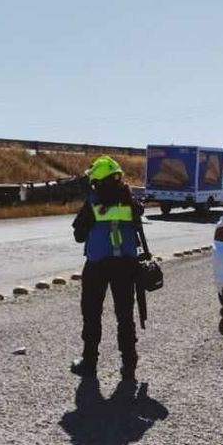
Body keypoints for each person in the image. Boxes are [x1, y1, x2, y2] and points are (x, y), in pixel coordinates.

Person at [70, 156, 149, 382]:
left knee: (92, 313)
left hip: (97, 265)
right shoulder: (131, 202)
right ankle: (129, 361)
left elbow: (78, 236)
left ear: (98, 180)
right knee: (125, 314)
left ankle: (89, 361)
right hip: (126, 265)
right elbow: (137, 219)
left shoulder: (93, 202)